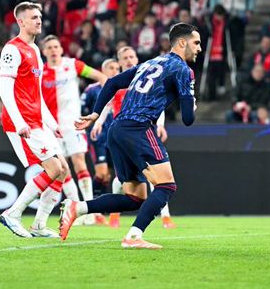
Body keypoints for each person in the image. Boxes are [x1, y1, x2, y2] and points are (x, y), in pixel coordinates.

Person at [62, 23, 201, 249]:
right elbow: (187, 119)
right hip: (139, 128)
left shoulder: (150, 63)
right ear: (182, 42)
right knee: (166, 186)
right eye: (196, 43)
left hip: (116, 129)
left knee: (134, 197)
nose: (199, 48)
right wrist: (191, 103)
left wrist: (95, 114)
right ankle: (134, 237)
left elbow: (113, 82)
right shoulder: (183, 70)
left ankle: (78, 208)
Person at [0, 2, 70, 238]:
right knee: (54, 168)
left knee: (63, 169)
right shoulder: (12, 49)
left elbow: (36, 92)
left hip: (37, 120)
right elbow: (5, 89)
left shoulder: (35, 50)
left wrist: (51, 123)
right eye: (33, 17)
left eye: (39, 17)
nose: (39, 21)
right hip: (22, 121)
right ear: (21, 22)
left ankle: (38, 225)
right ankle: (13, 213)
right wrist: (19, 122)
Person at [91, 46, 176, 229]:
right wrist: (98, 122)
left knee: (154, 177)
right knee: (133, 178)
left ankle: (165, 217)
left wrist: (160, 125)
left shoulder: (145, 80)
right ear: (119, 62)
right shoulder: (118, 83)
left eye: (132, 56)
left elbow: (158, 104)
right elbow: (107, 105)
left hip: (141, 132)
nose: (129, 60)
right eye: (125, 57)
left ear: (137, 58)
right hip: (124, 134)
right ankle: (116, 215)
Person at [40, 35, 107, 224]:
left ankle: (90, 210)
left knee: (80, 163)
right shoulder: (41, 72)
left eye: (56, 46)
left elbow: (101, 77)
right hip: (52, 128)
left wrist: (106, 102)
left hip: (73, 125)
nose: (53, 50)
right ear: (44, 52)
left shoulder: (73, 65)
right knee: (63, 170)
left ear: (61, 49)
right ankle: (77, 210)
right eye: (49, 47)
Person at [81, 58, 121, 208]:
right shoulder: (92, 89)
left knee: (109, 176)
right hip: (98, 136)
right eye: (111, 68)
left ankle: (102, 208)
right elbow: (82, 109)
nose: (114, 71)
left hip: (116, 137)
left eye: (117, 68)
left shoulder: (122, 89)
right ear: (102, 71)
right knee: (101, 173)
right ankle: (94, 207)